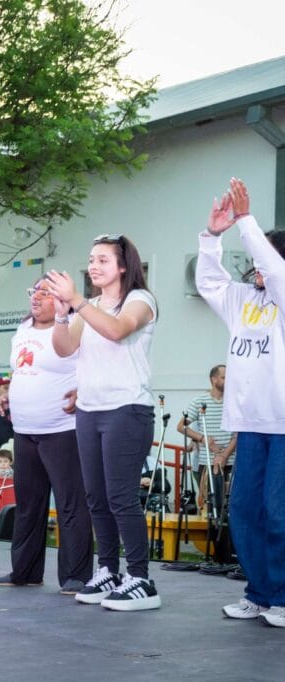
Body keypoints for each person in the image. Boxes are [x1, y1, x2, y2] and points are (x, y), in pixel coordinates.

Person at [48, 233, 161, 611]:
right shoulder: (90, 305)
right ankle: (108, 570)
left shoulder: (140, 301)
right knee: (96, 497)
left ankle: (141, 578)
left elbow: (116, 331)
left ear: (123, 266)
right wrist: (64, 313)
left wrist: (77, 302)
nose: (93, 266)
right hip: (90, 410)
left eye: (102, 260)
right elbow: (65, 349)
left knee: (120, 497)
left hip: (127, 410)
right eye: (91, 260)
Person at [201, 178, 285, 628]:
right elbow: (209, 280)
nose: (255, 263)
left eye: (262, 256)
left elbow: (277, 272)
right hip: (251, 424)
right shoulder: (244, 299)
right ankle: (259, 592)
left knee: (279, 511)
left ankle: (282, 596)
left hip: (284, 424)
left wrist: (248, 221)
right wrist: (212, 236)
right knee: (246, 511)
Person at [0, 278, 93, 596]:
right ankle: (25, 571)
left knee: (70, 504)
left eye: (45, 293)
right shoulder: (23, 329)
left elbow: (93, 366)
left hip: (62, 429)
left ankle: (75, 576)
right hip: (25, 430)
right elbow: (19, 369)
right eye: (33, 291)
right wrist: (6, 390)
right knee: (28, 504)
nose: (36, 297)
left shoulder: (75, 325)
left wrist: (84, 390)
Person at [176, 364, 235, 511]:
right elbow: (181, 426)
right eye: (224, 377)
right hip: (206, 463)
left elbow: (238, 434)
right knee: (211, 506)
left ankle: (229, 535)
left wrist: (224, 455)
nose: (228, 380)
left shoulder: (234, 401)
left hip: (232, 462)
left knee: (231, 506)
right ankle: (212, 534)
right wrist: (203, 439)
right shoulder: (199, 401)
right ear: (213, 380)